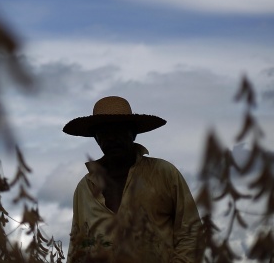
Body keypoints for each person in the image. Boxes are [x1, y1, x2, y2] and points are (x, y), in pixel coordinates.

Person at [64, 96, 201, 262]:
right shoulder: (85, 188)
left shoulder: (163, 173)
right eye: (104, 132)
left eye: (118, 130)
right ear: (96, 138)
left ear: (133, 133)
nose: (111, 138)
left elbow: (191, 233)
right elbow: (77, 249)